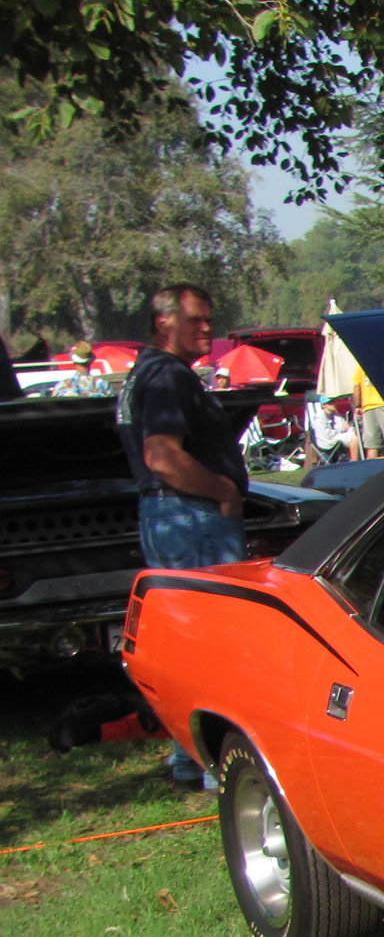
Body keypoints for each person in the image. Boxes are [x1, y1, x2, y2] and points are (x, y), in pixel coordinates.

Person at [115, 284, 249, 789]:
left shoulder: (145, 375)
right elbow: (162, 457)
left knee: (187, 643)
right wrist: (222, 491)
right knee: (214, 642)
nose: (207, 329)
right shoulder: (167, 377)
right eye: (195, 320)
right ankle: (215, 766)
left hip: (168, 517)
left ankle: (188, 759)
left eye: (209, 319)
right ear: (162, 323)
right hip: (191, 518)